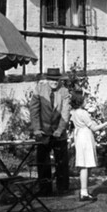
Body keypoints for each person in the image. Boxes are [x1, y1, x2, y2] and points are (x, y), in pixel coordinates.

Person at [29, 67, 71, 196]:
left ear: (60, 80)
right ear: (47, 79)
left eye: (57, 80)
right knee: (43, 162)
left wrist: (59, 130)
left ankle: (63, 188)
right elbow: (34, 111)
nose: (54, 82)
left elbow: (65, 113)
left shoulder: (64, 91)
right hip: (43, 132)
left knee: (62, 162)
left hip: (59, 132)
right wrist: (36, 129)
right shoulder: (39, 90)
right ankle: (45, 189)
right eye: (52, 79)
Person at [69, 90, 107, 202]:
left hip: (80, 137)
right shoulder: (83, 113)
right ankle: (84, 192)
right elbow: (94, 128)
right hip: (85, 138)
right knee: (85, 165)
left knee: (84, 164)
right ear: (80, 101)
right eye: (85, 100)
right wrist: (106, 123)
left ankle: (84, 191)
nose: (86, 101)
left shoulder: (74, 112)